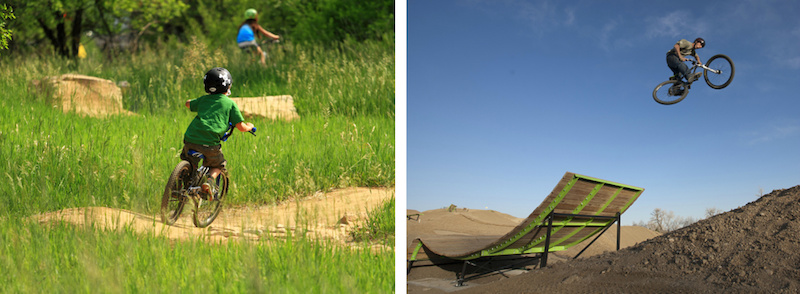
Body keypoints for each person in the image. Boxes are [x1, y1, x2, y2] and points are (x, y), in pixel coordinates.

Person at [181, 67, 255, 200]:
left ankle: (181, 183)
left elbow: (188, 104)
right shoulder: (230, 104)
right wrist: (250, 126)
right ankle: (209, 182)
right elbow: (241, 127)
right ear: (228, 86)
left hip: (190, 139)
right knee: (218, 165)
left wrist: (196, 101)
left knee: (189, 160)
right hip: (209, 143)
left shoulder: (203, 100)